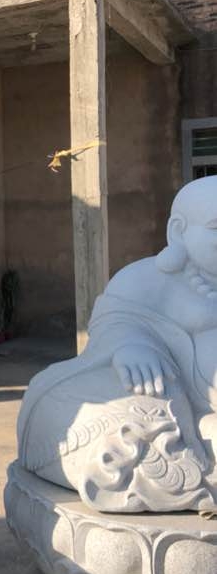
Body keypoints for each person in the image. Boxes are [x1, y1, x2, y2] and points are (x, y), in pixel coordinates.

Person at [18, 176, 217, 512]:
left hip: (207, 409)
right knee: (128, 421)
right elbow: (113, 321)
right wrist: (133, 346)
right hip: (171, 393)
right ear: (179, 231)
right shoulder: (144, 279)